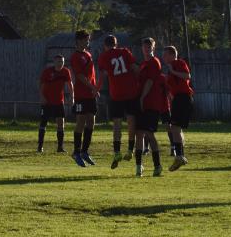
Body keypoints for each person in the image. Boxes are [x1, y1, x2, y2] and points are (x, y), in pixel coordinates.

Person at [97, 34, 140, 169]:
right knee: (131, 121)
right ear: (116, 44)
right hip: (131, 92)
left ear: (105, 45)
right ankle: (130, 150)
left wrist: (95, 89)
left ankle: (117, 152)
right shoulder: (125, 52)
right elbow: (135, 68)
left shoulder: (103, 57)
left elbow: (103, 76)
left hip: (116, 94)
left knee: (117, 124)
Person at [135, 38, 168, 177]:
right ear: (142, 48)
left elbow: (149, 81)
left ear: (154, 48)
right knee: (139, 134)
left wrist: (142, 97)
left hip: (151, 103)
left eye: (150, 47)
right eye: (145, 47)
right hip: (141, 103)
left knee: (149, 134)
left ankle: (157, 165)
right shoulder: (143, 64)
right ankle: (138, 166)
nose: (147, 49)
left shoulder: (155, 62)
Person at [69, 30, 99, 167]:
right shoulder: (75, 56)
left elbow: (91, 75)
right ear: (79, 41)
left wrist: (94, 88)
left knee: (91, 121)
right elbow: (80, 76)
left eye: (88, 39)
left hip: (90, 94)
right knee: (80, 121)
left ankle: (84, 151)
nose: (88, 42)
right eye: (86, 40)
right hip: (81, 94)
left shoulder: (88, 54)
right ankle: (76, 152)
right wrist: (92, 87)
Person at [163, 45, 192, 170]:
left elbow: (187, 76)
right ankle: (181, 156)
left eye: (165, 55)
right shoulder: (169, 69)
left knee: (175, 127)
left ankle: (179, 156)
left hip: (183, 97)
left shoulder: (179, 63)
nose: (163, 57)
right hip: (178, 99)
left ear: (172, 54)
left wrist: (173, 71)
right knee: (176, 128)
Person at [37, 54, 72, 153]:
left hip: (59, 101)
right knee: (43, 123)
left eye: (62, 62)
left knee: (61, 123)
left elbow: (70, 84)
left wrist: (72, 96)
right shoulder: (47, 72)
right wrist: (42, 97)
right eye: (58, 62)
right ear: (54, 62)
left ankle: (60, 147)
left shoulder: (66, 71)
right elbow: (40, 84)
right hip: (47, 102)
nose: (60, 64)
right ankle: (40, 146)